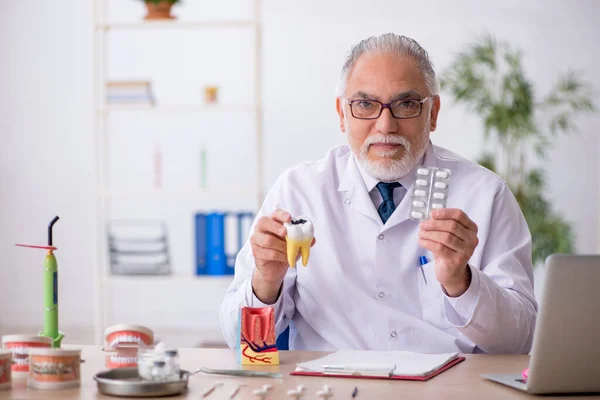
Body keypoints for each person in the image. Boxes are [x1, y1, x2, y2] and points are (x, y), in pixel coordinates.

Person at [220, 33, 537, 354]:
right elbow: (241, 342)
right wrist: (266, 282)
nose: (385, 125)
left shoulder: (485, 194)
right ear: (342, 114)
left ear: (434, 113)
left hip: (448, 386)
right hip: (332, 385)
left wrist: (461, 282)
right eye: (365, 104)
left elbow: (519, 342)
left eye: (407, 104)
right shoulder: (299, 190)